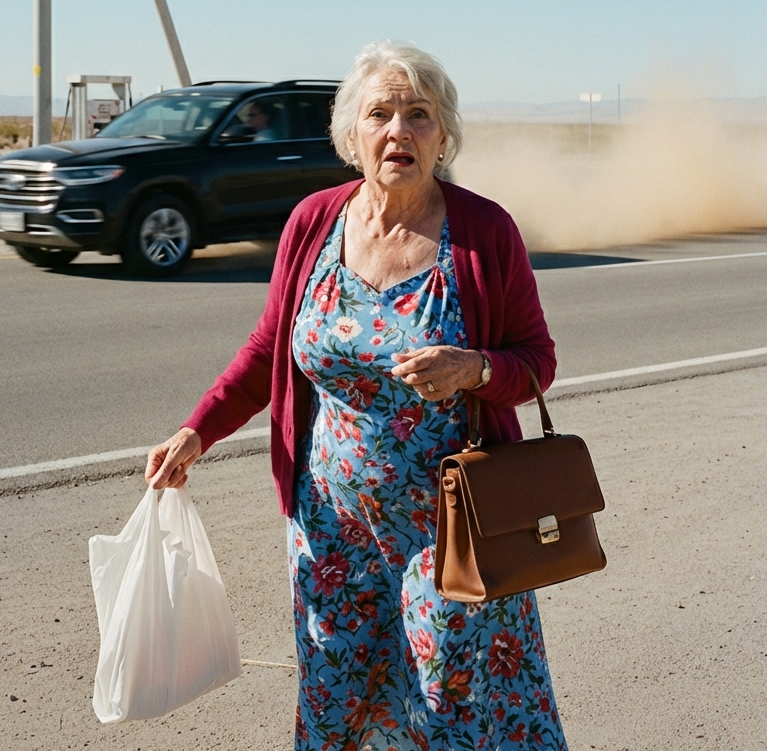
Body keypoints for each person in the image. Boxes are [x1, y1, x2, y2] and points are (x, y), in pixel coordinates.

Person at [147, 41, 567, 750]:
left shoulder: (484, 231)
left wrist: (473, 369)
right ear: (351, 134)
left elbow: (536, 361)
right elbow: (268, 349)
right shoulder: (315, 222)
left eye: (419, 114)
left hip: (451, 529)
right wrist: (198, 430)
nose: (399, 131)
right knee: (337, 700)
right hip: (331, 527)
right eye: (380, 114)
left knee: (451, 703)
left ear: (443, 134)